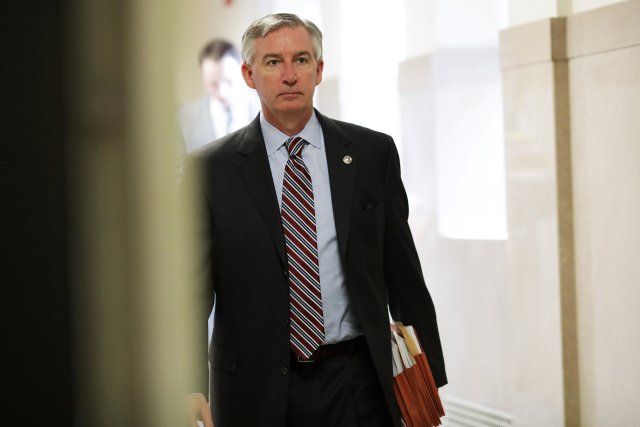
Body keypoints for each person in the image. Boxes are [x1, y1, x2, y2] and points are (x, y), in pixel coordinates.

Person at [183, 13, 447, 427]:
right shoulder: (209, 169)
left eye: (302, 60)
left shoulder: (370, 153)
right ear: (249, 75)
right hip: (254, 388)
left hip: (357, 380)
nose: (289, 75)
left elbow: (403, 271)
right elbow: (191, 292)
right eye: (273, 62)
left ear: (319, 70)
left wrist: (427, 377)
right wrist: (189, 384)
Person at [177, 38, 256, 154]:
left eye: (229, 81)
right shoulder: (183, 118)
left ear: (242, 69)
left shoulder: (266, 110)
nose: (222, 92)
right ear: (202, 74)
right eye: (213, 83)